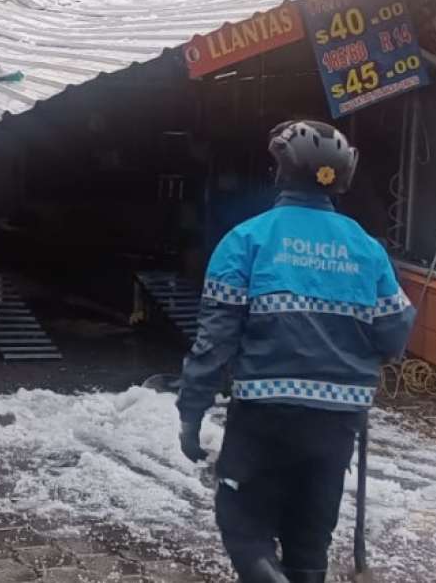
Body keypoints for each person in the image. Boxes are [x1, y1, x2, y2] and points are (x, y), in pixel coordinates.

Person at [177, 120, 416, 583]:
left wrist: (192, 412)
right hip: (338, 419)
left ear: (280, 174)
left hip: (265, 413)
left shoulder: (246, 240)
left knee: (243, 527)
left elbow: (214, 343)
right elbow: (394, 336)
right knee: (309, 541)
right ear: (341, 180)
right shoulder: (366, 249)